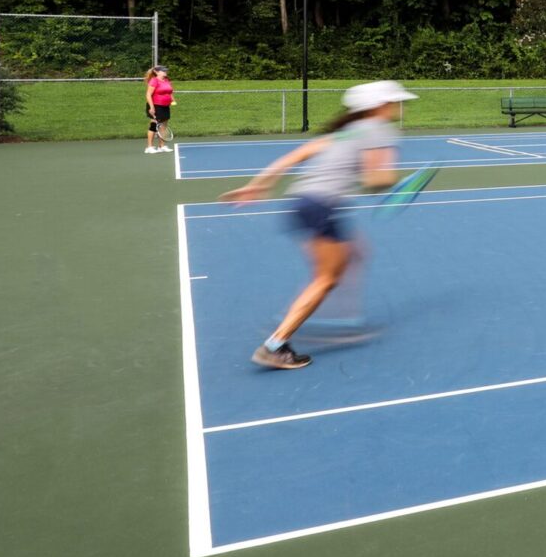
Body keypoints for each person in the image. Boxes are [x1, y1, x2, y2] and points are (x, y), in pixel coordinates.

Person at [222, 80, 418, 370]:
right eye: (395, 101)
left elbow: (295, 156)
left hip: (302, 202)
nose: (400, 106)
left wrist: (257, 186)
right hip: (323, 206)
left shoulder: (347, 131)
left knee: (355, 252)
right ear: (380, 106)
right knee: (326, 278)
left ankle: (341, 318)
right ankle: (275, 345)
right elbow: (375, 181)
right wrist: (395, 181)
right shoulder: (380, 130)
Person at [144, 65, 176, 153]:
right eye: (163, 71)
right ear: (156, 72)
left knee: (163, 126)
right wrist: (151, 107)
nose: (165, 72)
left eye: (166, 70)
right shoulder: (154, 81)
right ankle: (149, 147)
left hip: (165, 106)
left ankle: (162, 146)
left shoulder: (166, 80)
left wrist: (172, 99)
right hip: (155, 105)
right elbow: (148, 94)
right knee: (154, 126)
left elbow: (170, 92)